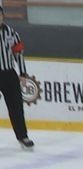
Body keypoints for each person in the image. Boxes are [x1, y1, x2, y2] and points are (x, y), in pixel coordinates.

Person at [0, 7, 34, 150]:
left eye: (0, 15)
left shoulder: (11, 33)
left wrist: (23, 73)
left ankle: (22, 136)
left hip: (9, 73)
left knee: (16, 107)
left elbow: (18, 54)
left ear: (3, 16)